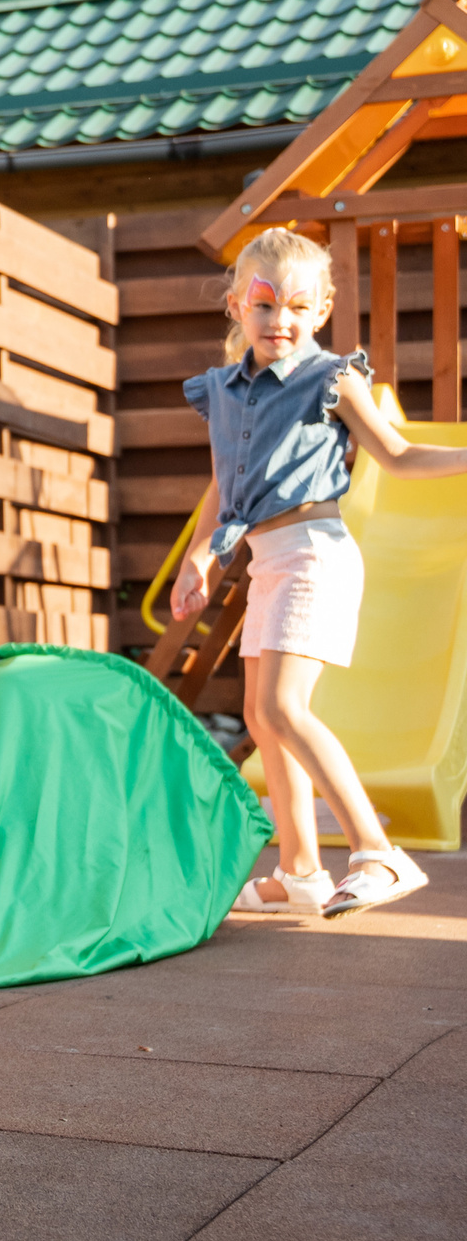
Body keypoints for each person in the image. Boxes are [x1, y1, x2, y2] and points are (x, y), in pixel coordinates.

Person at [173, 228, 467, 918]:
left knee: (283, 708)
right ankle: (299, 870)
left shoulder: (329, 378)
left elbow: (396, 456)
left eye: (300, 308)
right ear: (237, 305)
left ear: (324, 309)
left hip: (315, 551)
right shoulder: (222, 391)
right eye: (266, 304)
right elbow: (222, 488)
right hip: (266, 559)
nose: (283, 321)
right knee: (258, 715)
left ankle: (379, 853)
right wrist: (198, 557)